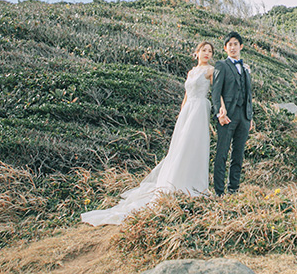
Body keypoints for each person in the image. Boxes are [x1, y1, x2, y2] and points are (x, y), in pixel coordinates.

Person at [81, 41, 215, 225]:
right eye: (203, 50)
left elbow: (217, 93)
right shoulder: (191, 72)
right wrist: (181, 114)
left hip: (200, 109)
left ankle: (192, 183)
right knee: (180, 146)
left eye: (209, 51)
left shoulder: (211, 71)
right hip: (187, 111)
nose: (206, 53)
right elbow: (185, 96)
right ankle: (174, 180)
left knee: (194, 145)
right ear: (197, 53)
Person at [211, 31, 254, 196]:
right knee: (222, 153)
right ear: (225, 48)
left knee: (238, 154)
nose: (233, 47)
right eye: (230, 44)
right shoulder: (221, 65)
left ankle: (233, 189)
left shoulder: (245, 68)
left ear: (241, 46)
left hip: (244, 117)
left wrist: (250, 117)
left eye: (236, 44)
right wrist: (218, 113)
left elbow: (249, 94)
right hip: (227, 116)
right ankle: (219, 192)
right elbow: (216, 92)